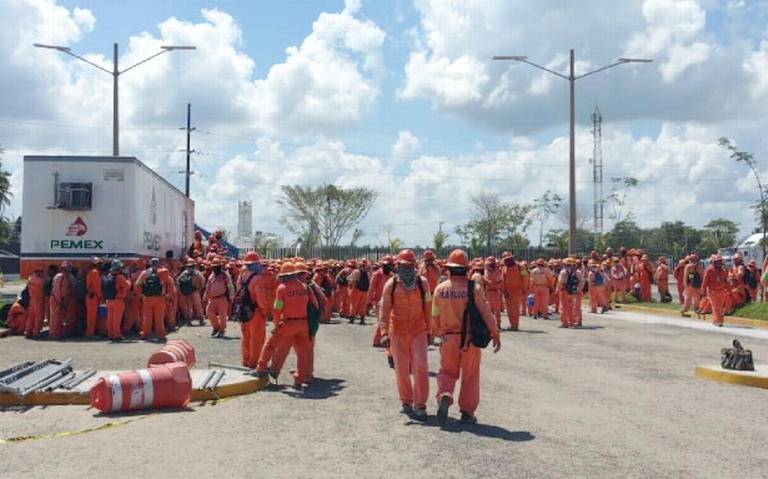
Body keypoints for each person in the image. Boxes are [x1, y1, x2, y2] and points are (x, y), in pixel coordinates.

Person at [432, 249, 500, 427]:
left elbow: (435, 315)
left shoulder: (440, 289)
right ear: (466, 269)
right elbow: (486, 313)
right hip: (470, 341)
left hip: (447, 338)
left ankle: (445, 394)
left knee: (447, 372)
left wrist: (436, 333)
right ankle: (467, 413)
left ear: (449, 269)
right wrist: (494, 333)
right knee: (470, 376)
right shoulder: (474, 288)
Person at [379, 249, 433, 420]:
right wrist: (384, 332)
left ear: (414, 266)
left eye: (409, 266)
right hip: (398, 332)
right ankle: (406, 401)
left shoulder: (423, 284)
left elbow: (428, 308)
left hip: (418, 331)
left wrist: (430, 331)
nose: (406, 269)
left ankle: (420, 404)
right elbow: (384, 309)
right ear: (397, 266)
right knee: (401, 369)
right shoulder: (391, 285)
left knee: (421, 367)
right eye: (403, 266)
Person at [257, 261, 318, 390]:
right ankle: (298, 380)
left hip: (288, 323)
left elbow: (277, 308)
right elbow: (315, 306)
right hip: (304, 324)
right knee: (303, 354)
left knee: (270, 345)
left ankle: (261, 368)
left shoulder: (282, 288)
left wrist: (276, 325)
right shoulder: (305, 287)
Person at [238, 251, 268, 368]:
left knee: (246, 337)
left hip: (244, 310)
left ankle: (245, 360)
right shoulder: (257, 278)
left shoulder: (242, 276)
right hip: (255, 311)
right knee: (257, 339)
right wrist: (264, 310)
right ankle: (254, 363)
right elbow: (260, 298)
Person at [135, 257, 175, 341]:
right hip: (160, 298)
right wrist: (169, 295)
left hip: (147, 298)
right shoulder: (163, 272)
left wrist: (140, 295)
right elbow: (170, 284)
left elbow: (137, 285)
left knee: (147, 317)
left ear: (150, 264)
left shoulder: (144, 273)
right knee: (159, 318)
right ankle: (161, 335)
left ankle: (145, 333)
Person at [203, 257, 235, 338]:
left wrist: (231, 296)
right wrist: (205, 296)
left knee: (222, 316)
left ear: (220, 267)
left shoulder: (225, 276)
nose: (215, 269)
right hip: (212, 298)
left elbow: (230, 286)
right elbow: (208, 287)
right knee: (209, 312)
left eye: (217, 267)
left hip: (222, 298)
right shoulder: (211, 276)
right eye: (214, 267)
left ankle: (221, 330)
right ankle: (216, 327)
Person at [369, 255, 394, 346]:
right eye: (386, 265)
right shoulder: (377, 274)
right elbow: (372, 288)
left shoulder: (392, 275)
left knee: (387, 321)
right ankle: (376, 341)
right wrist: (369, 301)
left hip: (388, 302)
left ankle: (383, 339)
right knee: (382, 321)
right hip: (378, 302)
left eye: (389, 265)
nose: (387, 267)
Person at [104, 260, 131, 341]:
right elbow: (127, 286)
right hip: (118, 300)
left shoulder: (108, 275)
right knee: (117, 318)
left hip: (109, 300)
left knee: (110, 318)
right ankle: (117, 334)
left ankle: (110, 333)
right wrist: (128, 279)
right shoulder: (120, 277)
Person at [501, 251, 527, 330]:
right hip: (508, 292)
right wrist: (504, 291)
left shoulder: (520, 267)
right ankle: (512, 324)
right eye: (506, 260)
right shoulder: (504, 268)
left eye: (508, 259)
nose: (507, 261)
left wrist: (524, 288)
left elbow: (525, 277)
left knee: (515, 308)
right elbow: (503, 280)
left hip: (517, 291)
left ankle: (515, 325)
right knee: (509, 309)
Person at [557, 257, 584, 328]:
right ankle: (571, 321)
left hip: (564, 291)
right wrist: (578, 289)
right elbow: (582, 281)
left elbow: (560, 282)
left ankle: (564, 322)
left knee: (563, 307)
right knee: (571, 307)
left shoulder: (563, 272)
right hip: (573, 291)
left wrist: (557, 290)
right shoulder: (577, 272)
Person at [702, 255, 728, 327]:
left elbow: (727, 281)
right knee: (716, 306)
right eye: (717, 261)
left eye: (720, 261)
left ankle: (715, 320)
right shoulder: (709, 270)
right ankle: (718, 321)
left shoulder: (724, 271)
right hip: (712, 291)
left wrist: (728, 290)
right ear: (714, 262)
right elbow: (705, 282)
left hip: (722, 291)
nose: (718, 263)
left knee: (719, 307)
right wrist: (703, 291)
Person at [24, 265, 46, 338]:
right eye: (42, 272)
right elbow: (44, 289)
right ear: (38, 272)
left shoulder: (30, 278)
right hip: (39, 299)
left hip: (32, 299)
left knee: (31, 316)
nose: (42, 273)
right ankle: (36, 332)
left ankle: (28, 331)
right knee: (39, 316)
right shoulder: (40, 280)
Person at [483, 256, 504, 330]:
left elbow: (500, 280)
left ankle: (498, 323)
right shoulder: (485, 271)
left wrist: (495, 282)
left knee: (497, 309)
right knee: (489, 309)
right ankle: (490, 323)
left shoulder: (497, 271)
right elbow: (483, 278)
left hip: (495, 291)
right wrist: (488, 282)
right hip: (488, 291)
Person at [84, 257, 103, 338]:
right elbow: (96, 286)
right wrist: (100, 296)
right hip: (93, 296)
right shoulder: (95, 272)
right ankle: (90, 332)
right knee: (92, 316)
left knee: (91, 316)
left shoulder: (91, 272)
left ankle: (90, 331)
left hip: (91, 296)